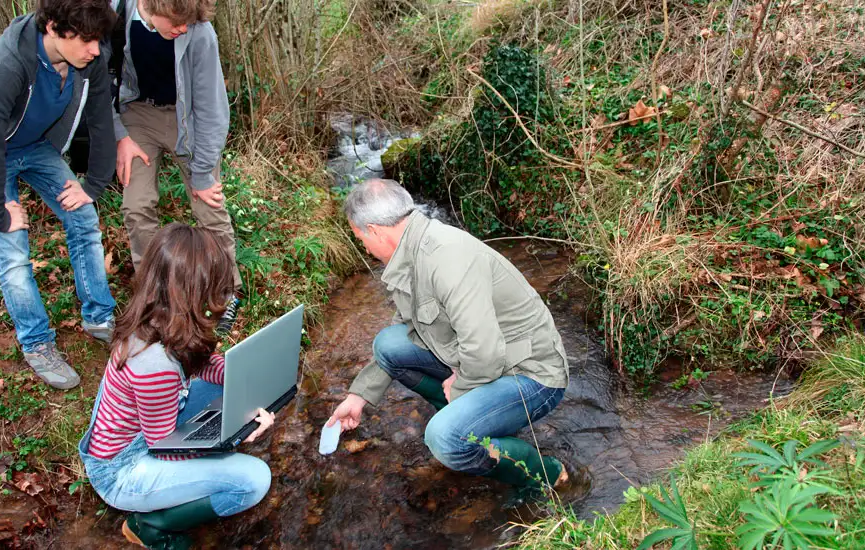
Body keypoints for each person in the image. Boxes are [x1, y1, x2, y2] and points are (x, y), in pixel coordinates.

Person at [327, 179, 571, 493]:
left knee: (444, 438)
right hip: (484, 359)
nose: (364, 247)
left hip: (531, 374)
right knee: (388, 344)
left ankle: (544, 476)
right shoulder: (411, 253)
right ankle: (470, 422)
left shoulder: (447, 257)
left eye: (361, 238)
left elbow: (484, 352)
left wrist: (461, 387)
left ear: (375, 230)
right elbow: (410, 327)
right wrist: (358, 395)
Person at [0, 0, 119, 390]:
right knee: (12, 248)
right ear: (53, 28)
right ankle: (37, 343)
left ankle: (100, 317)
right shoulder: (3, 65)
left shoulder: (91, 57)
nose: (95, 49)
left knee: (84, 217)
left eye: (99, 39)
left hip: (33, 144)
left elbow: (101, 120)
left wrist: (92, 185)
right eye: (87, 39)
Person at [79, 223, 274, 549]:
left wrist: (246, 378)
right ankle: (152, 526)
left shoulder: (161, 317)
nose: (224, 295)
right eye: (218, 285)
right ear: (196, 289)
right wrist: (237, 432)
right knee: (254, 481)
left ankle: (185, 489)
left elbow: (200, 364)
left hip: (151, 429)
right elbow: (166, 448)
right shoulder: (154, 366)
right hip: (123, 469)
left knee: (229, 392)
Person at [110, 0, 242, 334]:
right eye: (178, 23)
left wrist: (201, 174)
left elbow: (212, 108)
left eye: (189, 23)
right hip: (137, 117)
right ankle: (154, 293)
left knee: (209, 204)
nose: (184, 29)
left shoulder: (200, 33)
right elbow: (98, 85)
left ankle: (225, 291)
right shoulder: (114, 15)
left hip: (190, 119)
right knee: (137, 206)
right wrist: (119, 135)